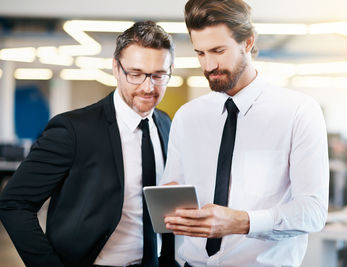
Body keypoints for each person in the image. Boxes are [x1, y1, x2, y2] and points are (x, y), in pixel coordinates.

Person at [161, 0, 329, 266]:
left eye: (218, 50)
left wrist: (241, 222)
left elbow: (313, 212)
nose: (209, 65)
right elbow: (173, 189)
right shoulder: (187, 117)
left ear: (248, 42)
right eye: (200, 53)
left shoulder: (298, 111)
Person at [0, 21, 178, 267]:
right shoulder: (72, 130)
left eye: (159, 75)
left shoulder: (165, 123)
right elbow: (14, 203)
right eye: (136, 74)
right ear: (116, 68)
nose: (148, 87)